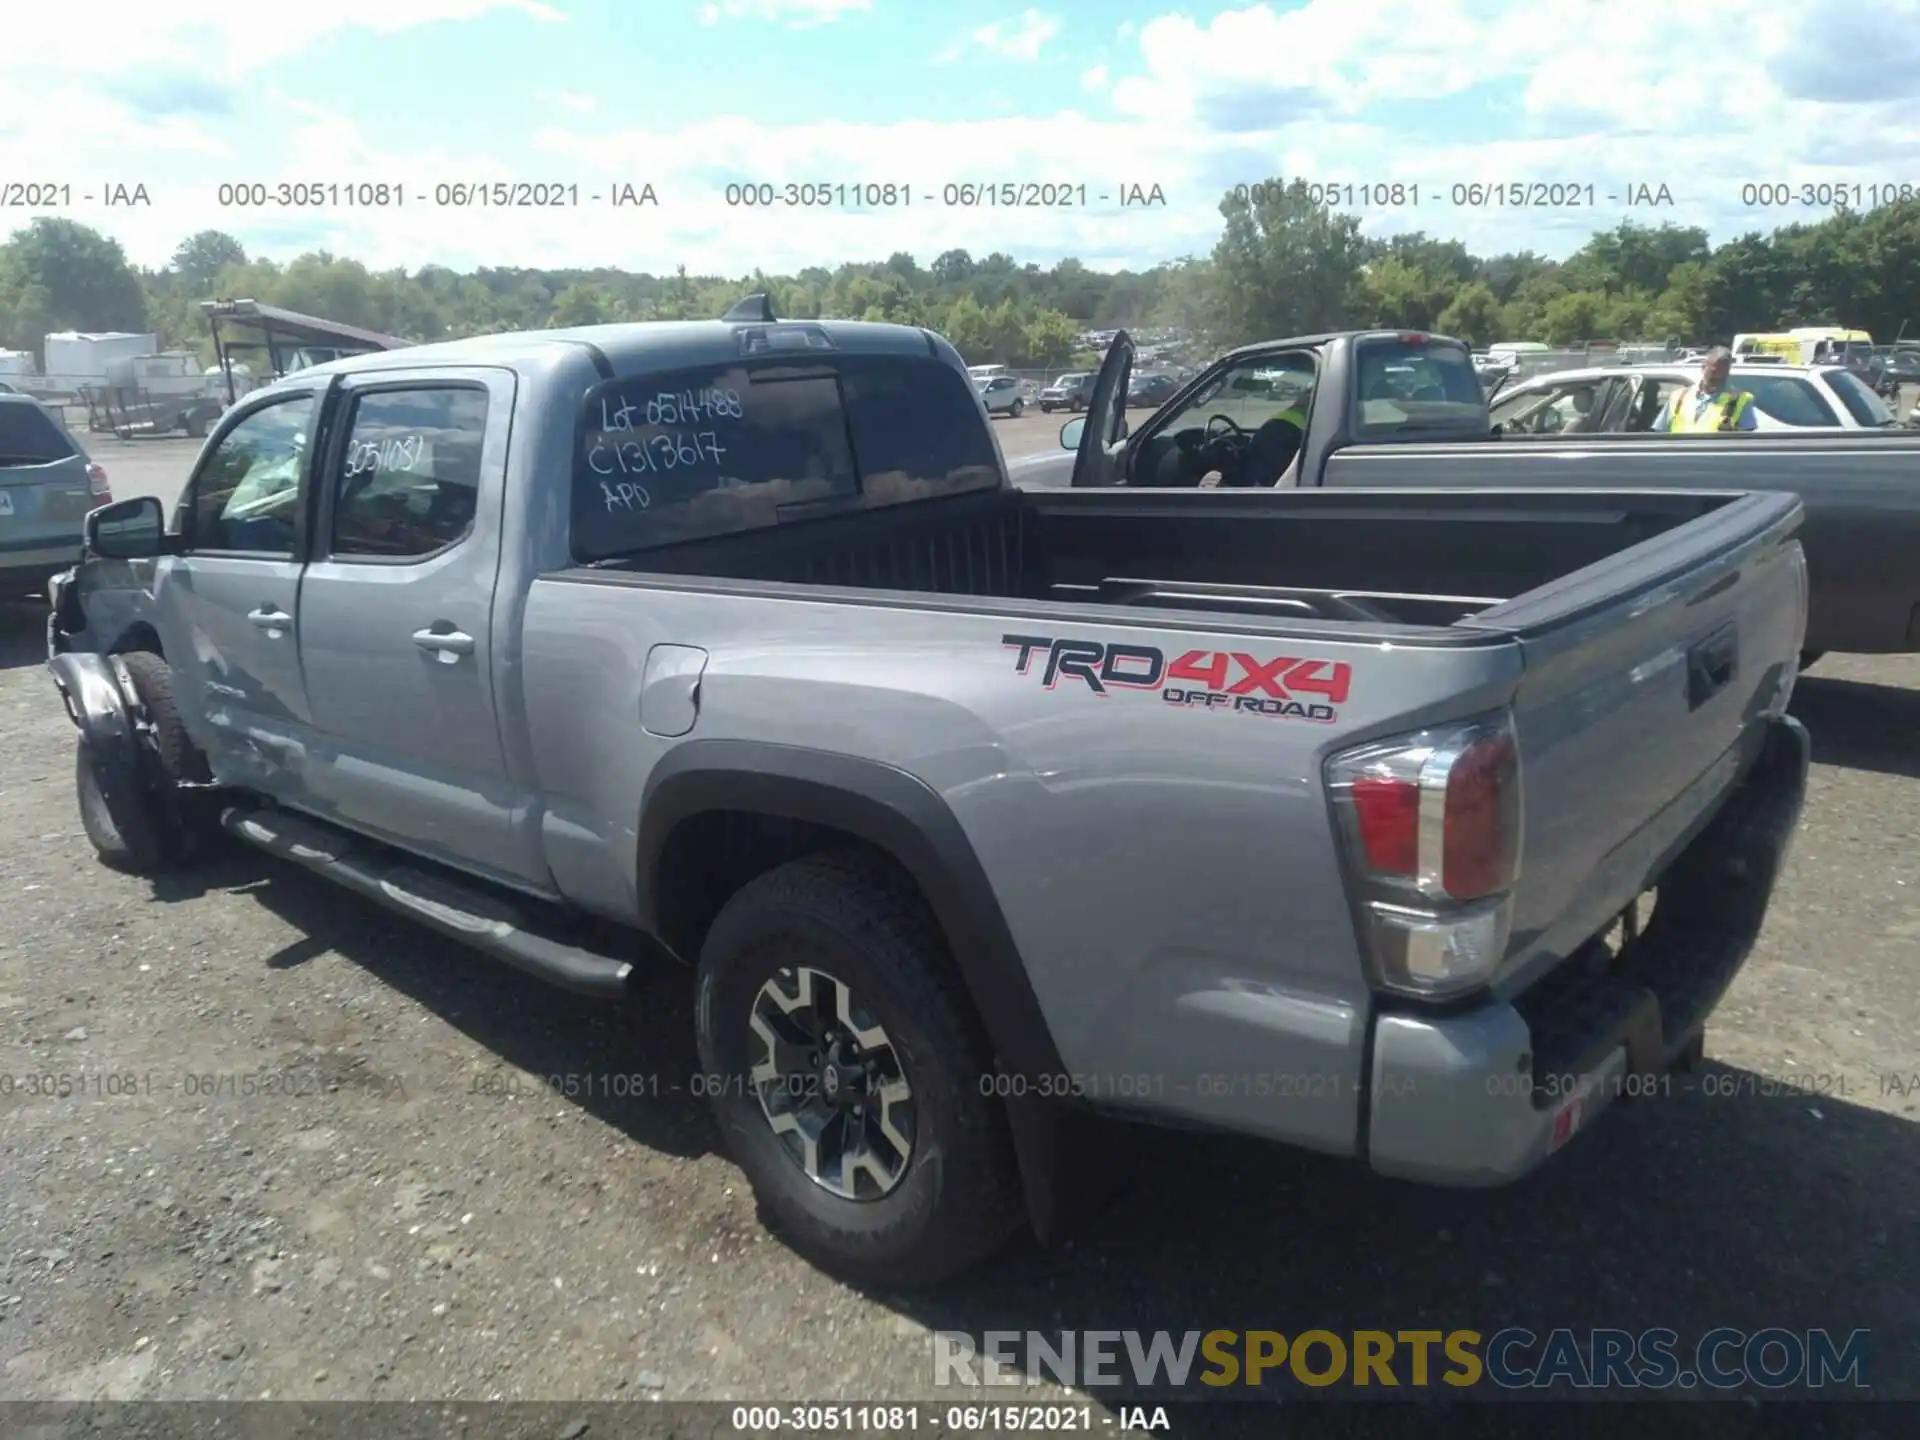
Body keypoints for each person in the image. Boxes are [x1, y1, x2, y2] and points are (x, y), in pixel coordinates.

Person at [1660, 347, 1758, 432]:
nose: (1718, 377)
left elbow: (1747, 441)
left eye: (1723, 373)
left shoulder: (1741, 400)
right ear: (1703, 368)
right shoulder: (1678, 397)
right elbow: (1660, 433)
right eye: (1714, 372)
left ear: (1728, 373)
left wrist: (1731, 432)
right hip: (1678, 453)